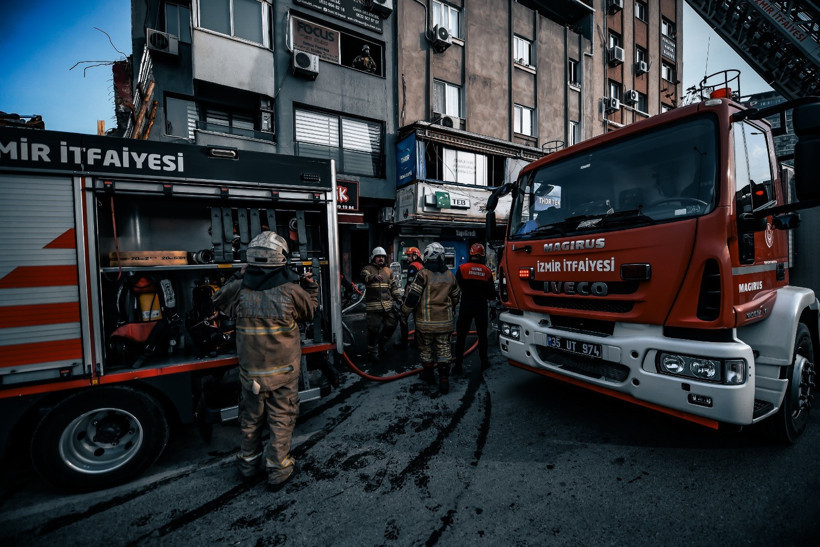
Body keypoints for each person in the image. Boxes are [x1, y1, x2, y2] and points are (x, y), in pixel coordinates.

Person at [212, 231, 318, 492]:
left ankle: (248, 465)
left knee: (250, 420)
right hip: (283, 373)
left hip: (251, 374)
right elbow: (310, 312)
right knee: (281, 419)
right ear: (281, 259)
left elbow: (218, 300)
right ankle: (278, 470)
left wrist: (239, 275)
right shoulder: (291, 291)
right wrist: (311, 287)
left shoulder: (239, 289)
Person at [401, 242, 461, 394]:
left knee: (426, 349)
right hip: (445, 323)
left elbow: (413, 298)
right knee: (444, 349)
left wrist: (404, 312)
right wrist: (450, 308)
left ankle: (428, 375)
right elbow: (456, 297)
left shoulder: (423, 274)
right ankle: (444, 380)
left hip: (425, 323)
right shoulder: (450, 275)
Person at [453, 243, 496, 374]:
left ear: (471, 254)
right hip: (481, 307)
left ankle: (458, 365)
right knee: (482, 336)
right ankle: (484, 362)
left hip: (466, 305)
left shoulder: (462, 269)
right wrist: (493, 309)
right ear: (482, 255)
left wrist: (453, 305)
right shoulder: (487, 271)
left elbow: (455, 289)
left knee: (461, 336)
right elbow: (491, 293)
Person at [360, 246, 401, 361]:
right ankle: (372, 352)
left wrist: (398, 298)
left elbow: (393, 286)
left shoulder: (388, 271)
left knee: (392, 324)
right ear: (374, 258)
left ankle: (381, 344)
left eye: (383, 257)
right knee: (373, 330)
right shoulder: (368, 268)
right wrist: (373, 277)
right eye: (378, 257)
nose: (381, 259)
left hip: (387, 306)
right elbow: (363, 276)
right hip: (373, 307)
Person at [395, 247, 424, 350]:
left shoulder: (413, 266)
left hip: (412, 298)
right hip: (420, 298)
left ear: (415, 256)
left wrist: (404, 298)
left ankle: (404, 343)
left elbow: (409, 284)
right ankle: (417, 343)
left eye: (408, 256)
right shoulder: (422, 266)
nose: (407, 258)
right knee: (418, 321)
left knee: (403, 318)